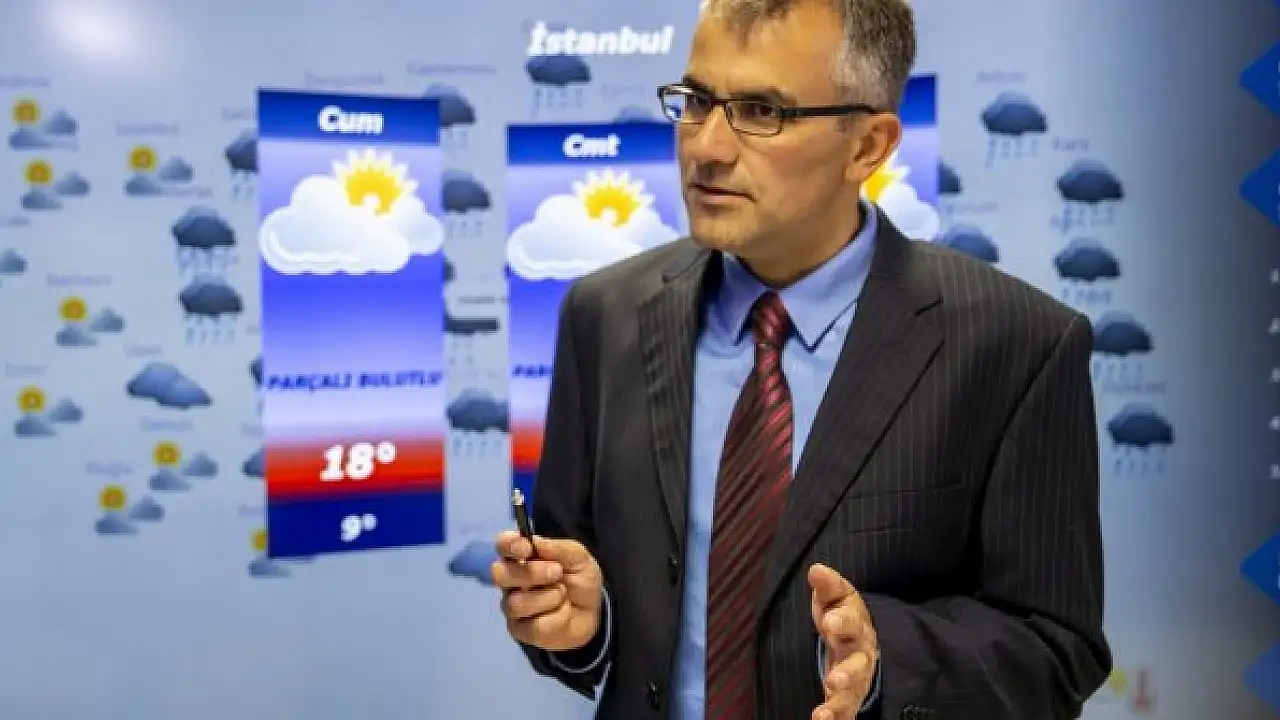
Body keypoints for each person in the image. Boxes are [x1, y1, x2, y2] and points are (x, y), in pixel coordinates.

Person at [492, 0, 1113, 717]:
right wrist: (582, 628)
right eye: (697, 101)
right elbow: (574, 594)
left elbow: (1055, 649)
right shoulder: (604, 316)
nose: (707, 147)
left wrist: (887, 659)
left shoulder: (1017, 346)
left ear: (868, 147)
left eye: (761, 111)